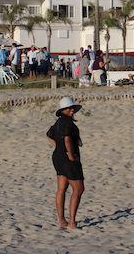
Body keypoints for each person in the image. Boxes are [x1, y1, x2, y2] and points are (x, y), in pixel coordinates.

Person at [47, 97, 85, 230]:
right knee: (78, 189)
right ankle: (72, 223)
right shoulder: (67, 122)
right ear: (64, 110)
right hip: (68, 159)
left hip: (58, 158)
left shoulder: (58, 122)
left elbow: (48, 135)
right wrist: (70, 154)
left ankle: (62, 221)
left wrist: (58, 147)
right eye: (70, 108)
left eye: (72, 108)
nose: (72, 110)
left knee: (61, 189)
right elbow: (67, 138)